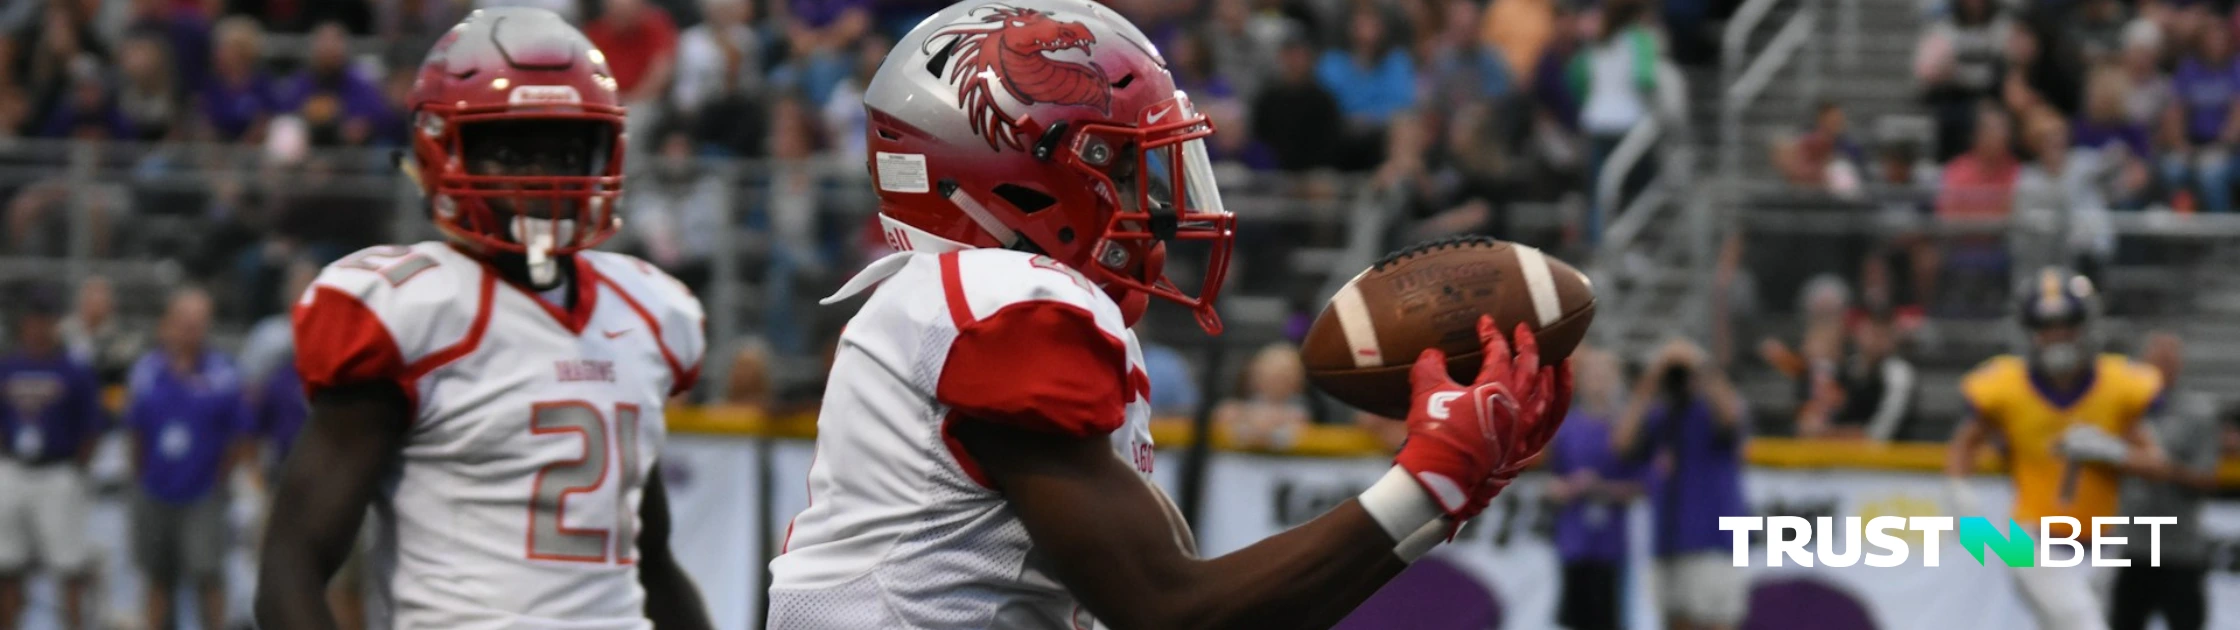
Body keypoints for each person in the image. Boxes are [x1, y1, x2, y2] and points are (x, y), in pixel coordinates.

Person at [766, 2, 1574, 628]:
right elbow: (1172, 613)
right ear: (1014, 174)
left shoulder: (947, 304)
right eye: (1120, 163)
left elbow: (1208, 605)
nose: (1151, 201)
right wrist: (1428, 483)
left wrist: (1446, 491)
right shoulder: (1001, 303)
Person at [252, 9, 714, 630]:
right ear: (441, 148)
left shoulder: (646, 312)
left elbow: (650, 561)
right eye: (513, 151)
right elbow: (293, 564)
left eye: (567, 149)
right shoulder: (415, 313)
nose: (545, 175)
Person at [1944, 268, 2164, 630]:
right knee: (2083, 621)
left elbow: (2158, 463)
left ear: (2087, 325)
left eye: (2067, 323)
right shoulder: (2005, 383)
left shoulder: (2119, 383)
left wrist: (2114, 451)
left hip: (2103, 539)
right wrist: (1957, 490)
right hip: (2024, 536)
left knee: (2061, 623)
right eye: (2046, 325)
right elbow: (1965, 442)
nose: (2057, 334)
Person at [124, 288, 254, 630]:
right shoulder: (147, 371)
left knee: (208, 575)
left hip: (203, 492)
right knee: (156, 576)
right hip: (154, 489)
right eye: (183, 322)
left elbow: (240, 435)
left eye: (198, 323)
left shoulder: (223, 373)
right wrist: (141, 478)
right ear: (168, 324)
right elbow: (135, 432)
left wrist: (220, 478)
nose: (190, 330)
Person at [1613, 337, 1750, 630]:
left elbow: (1732, 418)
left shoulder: (1710, 410)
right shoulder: (1661, 415)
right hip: (1668, 540)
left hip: (1714, 540)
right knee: (1674, 621)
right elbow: (1622, 445)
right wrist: (1649, 383)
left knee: (1715, 622)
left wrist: (1700, 365)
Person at [0, 282, 105, 630]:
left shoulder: (73, 370)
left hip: (58, 469)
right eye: (32, 318)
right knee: (7, 565)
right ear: (23, 322)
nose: (38, 325)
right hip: (14, 467)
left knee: (69, 566)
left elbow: (91, 427)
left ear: (56, 322)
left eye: (45, 318)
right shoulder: (8, 367)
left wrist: (75, 468)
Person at [2108, 332, 2219, 630]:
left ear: (2179, 366)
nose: (2161, 369)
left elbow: (2208, 478)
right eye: (2156, 361)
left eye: (2168, 361)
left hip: (2179, 549)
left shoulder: (2198, 413)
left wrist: (2163, 469)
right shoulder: (2124, 410)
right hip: (2134, 547)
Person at [1546, 347, 1643, 630]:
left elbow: (1642, 485)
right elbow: (1551, 483)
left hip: (1611, 545)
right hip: (1573, 542)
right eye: (1592, 375)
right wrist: (1565, 489)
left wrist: (1599, 488)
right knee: (1574, 617)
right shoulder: (1566, 427)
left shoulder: (1625, 428)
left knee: (1608, 617)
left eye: (1604, 375)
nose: (1598, 382)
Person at [1796, 309, 1916, 441]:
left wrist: (1834, 434)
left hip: (1891, 453)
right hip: (1846, 449)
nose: (1873, 340)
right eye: (1869, 332)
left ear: (1890, 339)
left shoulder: (1898, 374)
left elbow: (1881, 433)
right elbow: (1835, 409)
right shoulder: (1851, 367)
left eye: (1880, 334)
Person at [1212, 342, 1314, 449]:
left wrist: (1265, 424)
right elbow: (1224, 414)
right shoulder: (1243, 404)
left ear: (1298, 381)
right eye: (1269, 374)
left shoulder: (1300, 409)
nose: (1276, 381)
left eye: (1284, 376)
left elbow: (1299, 421)